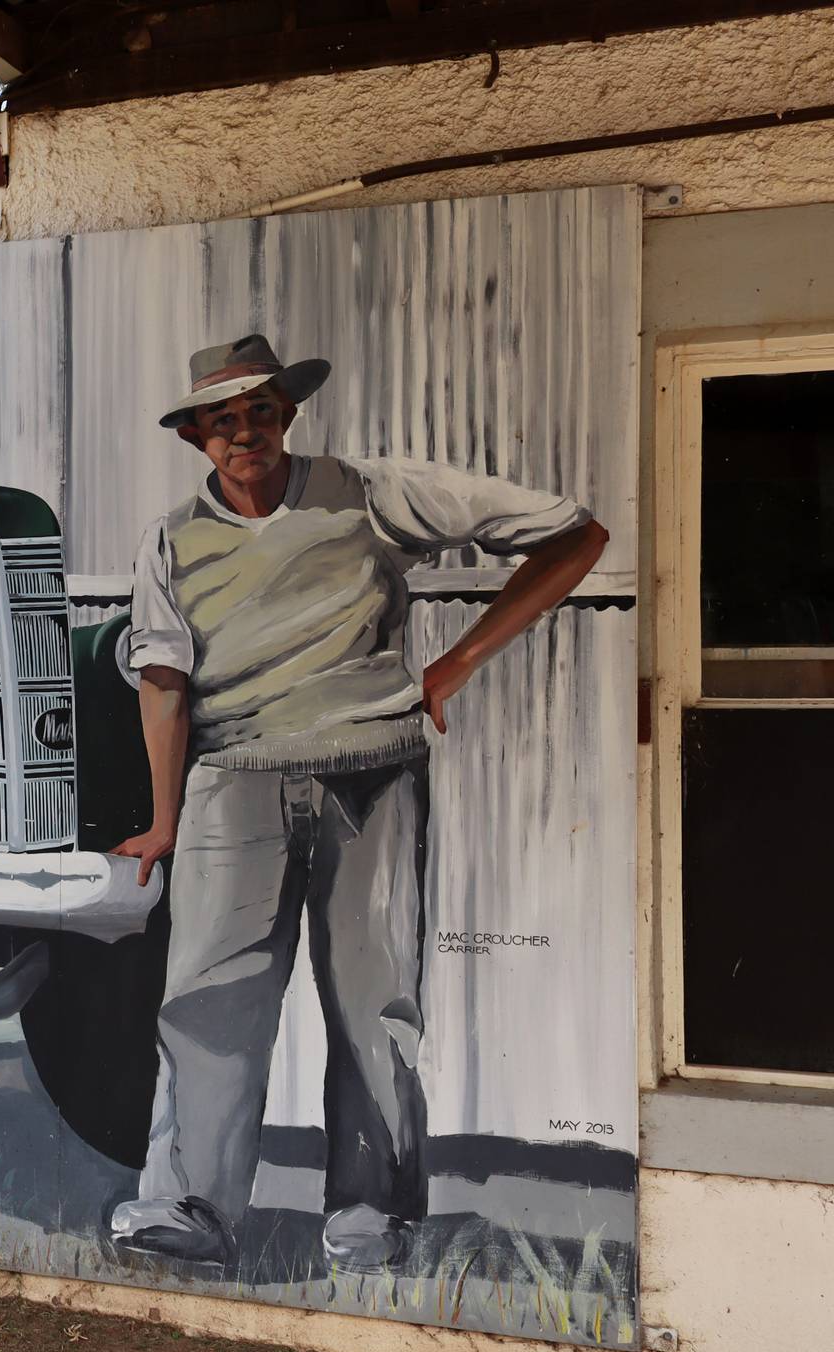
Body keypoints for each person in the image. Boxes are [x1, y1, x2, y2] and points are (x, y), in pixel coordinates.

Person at [106, 334, 609, 1270]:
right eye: (224, 421)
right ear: (199, 439)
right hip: (231, 782)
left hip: (370, 774)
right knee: (209, 1000)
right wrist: (166, 815)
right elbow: (165, 683)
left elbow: (575, 531)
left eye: (260, 411)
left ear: (288, 414)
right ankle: (189, 1204)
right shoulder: (170, 539)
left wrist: (457, 661)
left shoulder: (369, 493)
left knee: (377, 1000)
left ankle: (372, 1214)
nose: (245, 433)